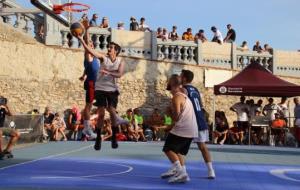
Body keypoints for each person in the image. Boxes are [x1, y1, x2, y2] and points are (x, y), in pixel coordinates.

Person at [77, 30, 125, 150]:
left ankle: (114, 137)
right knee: (102, 114)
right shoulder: (104, 58)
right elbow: (90, 50)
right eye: (108, 47)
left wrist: (107, 72)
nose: (108, 49)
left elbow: (119, 74)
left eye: (111, 48)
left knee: (113, 112)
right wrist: (82, 39)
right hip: (100, 89)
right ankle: (98, 138)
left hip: (113, 90)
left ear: (116, 51)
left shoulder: (120, 62)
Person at [161, 74, 198, 183]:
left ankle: (180, 172)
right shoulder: (184, 96)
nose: (170, 91)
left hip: (183, 128)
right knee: (179, 152)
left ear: (172, 85)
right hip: (192, 129)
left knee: (168, 149)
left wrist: (169, 113)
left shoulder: (176, 97)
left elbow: (176, 117)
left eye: (169, 88)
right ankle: (182, 171)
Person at [180, 69, 216, 179]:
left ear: (184, 78)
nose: (180, 77)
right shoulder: (196, 90)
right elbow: (200, 105)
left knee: (180, 148)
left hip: (190, 121)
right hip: (200, 119)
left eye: (181, 76)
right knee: (203, 147)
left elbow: (182, 105)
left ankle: (183, 172)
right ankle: (211, 171)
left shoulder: (183, 90)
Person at [79, 26, 100, 140]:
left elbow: (88, 68)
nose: (91, 44)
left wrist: (83, 75)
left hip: (96, 84)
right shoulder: (88, 55)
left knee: (99, 105)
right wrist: (87, 30)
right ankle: (87, 128)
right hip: (91, 83)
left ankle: (88, 127)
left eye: (92, 43)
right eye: (90, 44)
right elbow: (86, 43)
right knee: (88, 106)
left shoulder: (94, 57)